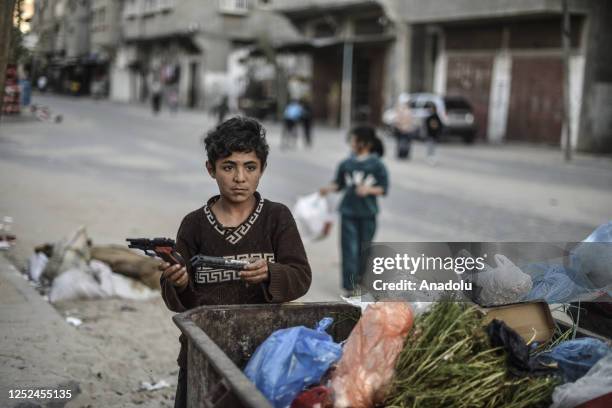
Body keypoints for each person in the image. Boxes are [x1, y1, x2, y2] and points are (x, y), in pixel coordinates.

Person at [159, 117, 312, 408]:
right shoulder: (194, 225)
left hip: (264, 353)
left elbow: (301, 276)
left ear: (262, 170)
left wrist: (271, 274)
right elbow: (180, 302)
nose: (239, 178)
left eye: (249, 167)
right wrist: (177, 282)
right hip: (203, 354)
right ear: (211, 169)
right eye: (229, 167)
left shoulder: (276, 218)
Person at [320, 125, 388, 296]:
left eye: (354, 139)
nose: (351, 143)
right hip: (348, 212)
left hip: (368, 213)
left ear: (364, 143)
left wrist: (368, 190)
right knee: (348, 249)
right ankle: (349, 286)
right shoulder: (346, 164)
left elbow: (383, 188)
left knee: (365, 249)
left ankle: (362, 282)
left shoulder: (377, 165)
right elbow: (339, 184)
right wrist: (328, 188)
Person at [393, 93, 417, 160]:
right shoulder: (402, 109)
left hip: (406, 129)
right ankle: (402, 154)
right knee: (402, 142)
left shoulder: (406, 110)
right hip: (403, 129)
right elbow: (397, 119)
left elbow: (411, 120)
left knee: (405, 142)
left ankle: (404, 154)